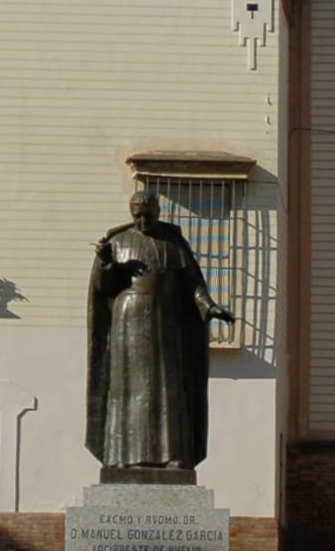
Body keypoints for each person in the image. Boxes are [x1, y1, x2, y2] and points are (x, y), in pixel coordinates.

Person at [85, 181, 230, 473]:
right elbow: (103, 289)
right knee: (128, 390)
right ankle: (126, 457)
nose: (143, 221)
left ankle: (172, 455)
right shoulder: (118, 242)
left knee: (168, 388)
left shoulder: (174, 244)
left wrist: (208, 305)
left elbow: (193, 284)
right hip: (128, 320)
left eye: (148, 215)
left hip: (166, 320)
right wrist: (105, 264)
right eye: (137, 215)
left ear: (158, 211)